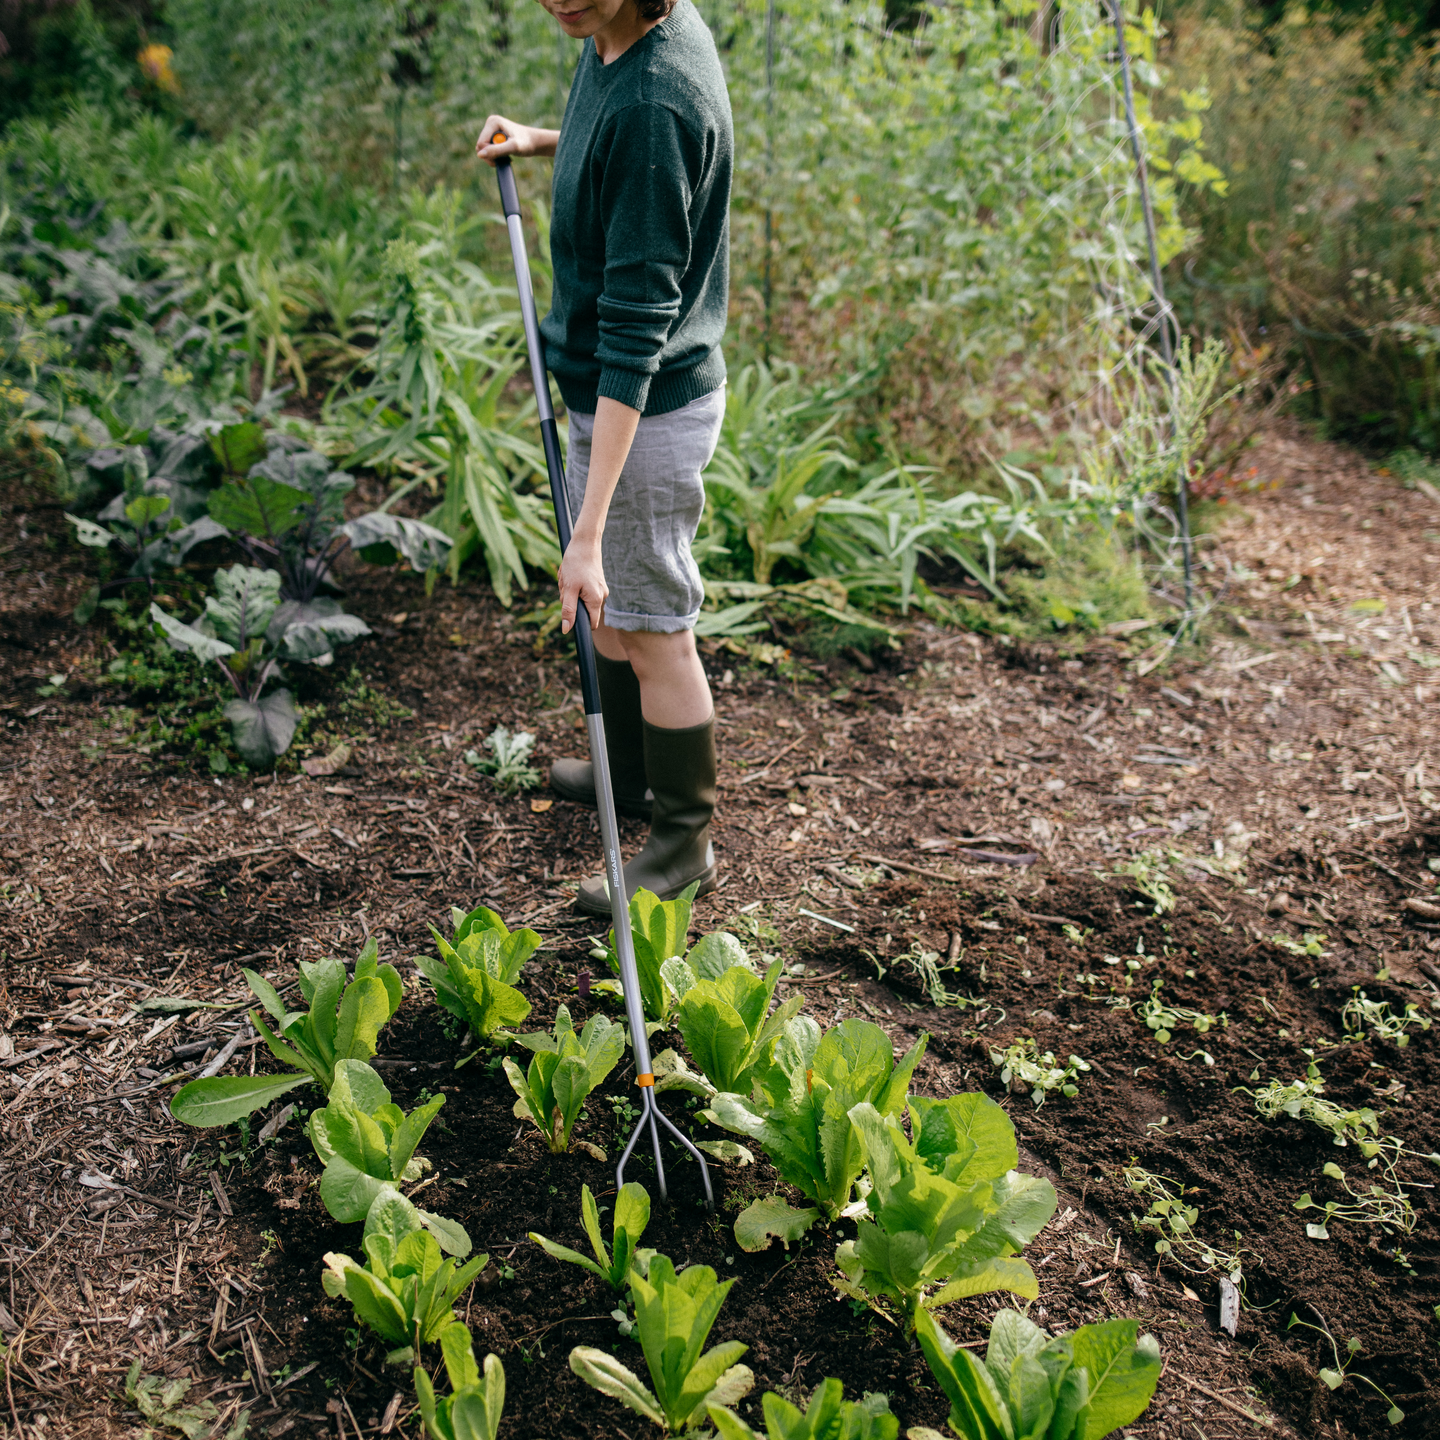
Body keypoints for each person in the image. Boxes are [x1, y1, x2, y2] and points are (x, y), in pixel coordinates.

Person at [477, 0, 732, 915]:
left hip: (645, 409)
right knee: (618, 618)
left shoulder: (657, 101)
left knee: (654, 628)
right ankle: (627, 772)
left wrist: (583, 537)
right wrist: (544, 141)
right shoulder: (617, 29)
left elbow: (636, 334)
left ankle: (682, 841)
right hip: (616, 399)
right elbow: (612, 144)